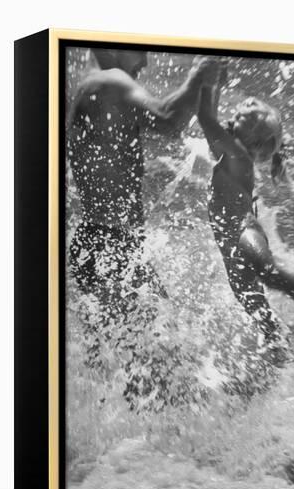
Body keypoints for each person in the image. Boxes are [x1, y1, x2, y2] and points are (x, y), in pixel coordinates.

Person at [67, 49, 218, 316]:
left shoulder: (91, 83)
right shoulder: (111, 81)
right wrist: (198, 74)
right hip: (109, 247)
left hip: (100, 242)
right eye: (140, 52)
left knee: (120, 349)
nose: (145, 62)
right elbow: (169, 120)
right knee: (156, 344)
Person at [197, 75, 294, 345]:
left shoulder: (236, 155)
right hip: (230, 247)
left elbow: (206, 119)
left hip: (243, 231)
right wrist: (214, 84)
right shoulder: (234, 154)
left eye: (235, 121)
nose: (227, 123)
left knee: (267, 272)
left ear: (250, 142)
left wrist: (206, 79)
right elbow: (211, 119)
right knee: (257, 309)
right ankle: (280, 347)